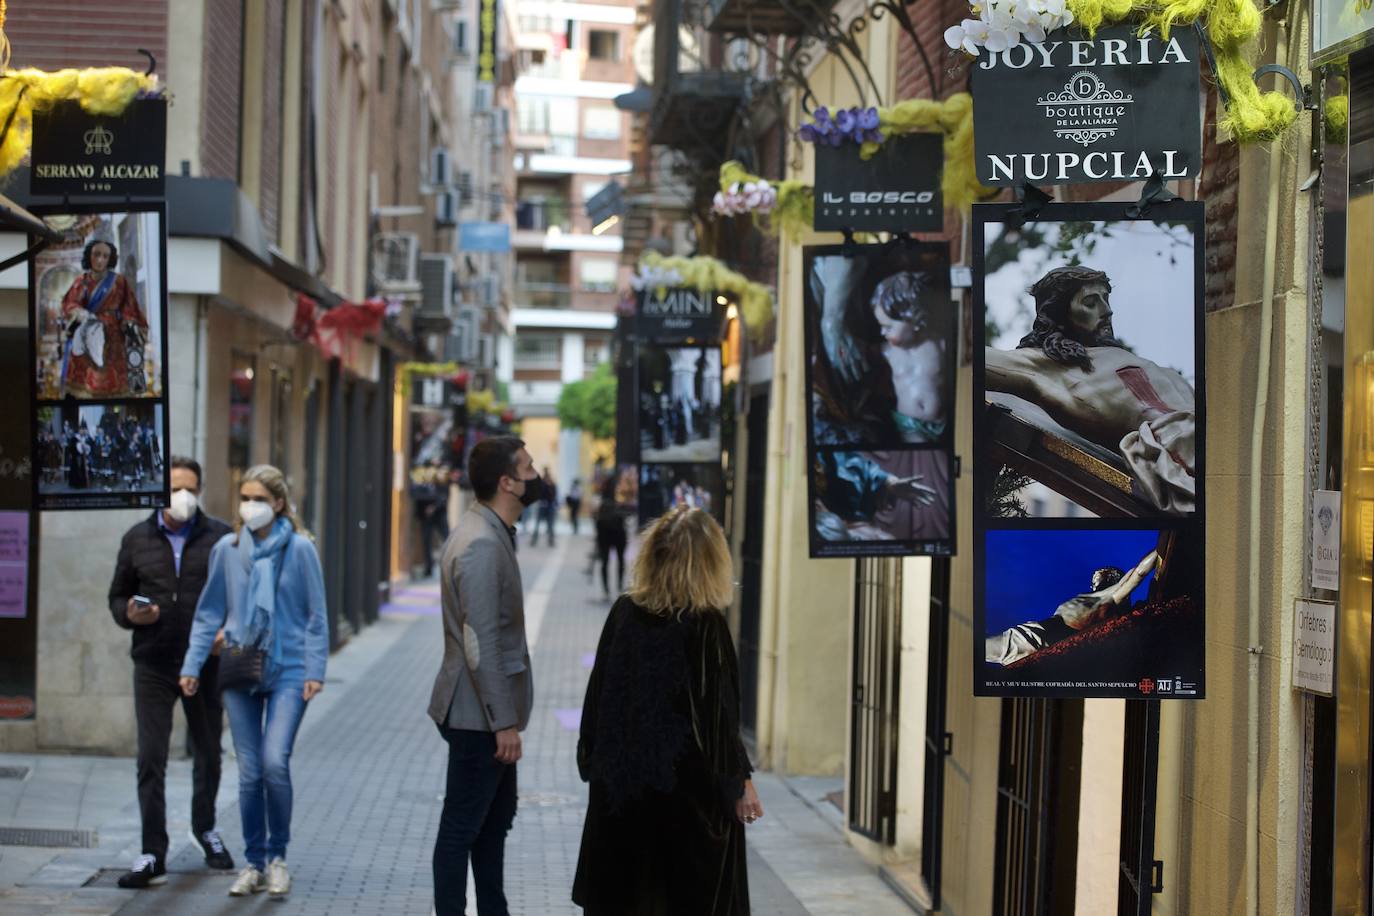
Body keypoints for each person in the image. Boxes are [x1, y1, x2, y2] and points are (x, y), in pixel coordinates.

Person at [573, 506, 760, 915]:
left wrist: (594, 764)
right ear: (709, 561)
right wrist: (739, 783)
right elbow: (719, 719)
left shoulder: (624, 612)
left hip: (620, 801)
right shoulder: (706, 627)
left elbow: (598, 699)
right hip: (684, 808)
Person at [179, 465, 329, 900]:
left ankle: (278, 857)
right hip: (240, 667)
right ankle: (254, 862)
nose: (250, 507)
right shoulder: (227, 549)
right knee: (248, 772)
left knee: (274, 763)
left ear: (279, 503)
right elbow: (209, 612)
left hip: (289, 668)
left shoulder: (300, 550)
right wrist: (192, 665)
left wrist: (315, 671)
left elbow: (317, 616)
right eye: (245, 498)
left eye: (259, 499)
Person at [107, 457, 235, 889]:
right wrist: (129, 613)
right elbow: (117, 597)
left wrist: (225, 632)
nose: (183, 496)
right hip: (155, 662)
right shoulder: (136, 538)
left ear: (200, 490)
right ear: (160, 491)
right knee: (151, 758)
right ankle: (152, 851)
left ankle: (205, 829)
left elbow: (238, 596)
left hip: (204, 663)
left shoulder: (220, 538)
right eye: (175, 488)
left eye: (191, 488)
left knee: (209, 752)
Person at [429, 436, 539, 916]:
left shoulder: (489, 532)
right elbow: (480, 644)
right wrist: (503, 722)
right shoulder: (480, 544)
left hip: (485, 715)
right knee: (461, 828)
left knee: (492, 826)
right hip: (479, 718)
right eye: (529, 468)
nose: (537, 476)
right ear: (507, 482)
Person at [984, 265, 1196, 514]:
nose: (1107, 310)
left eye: (1106, 299)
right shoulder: (1046, 368)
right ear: (1060, 314)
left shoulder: (1125, 359)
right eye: (1090, 302)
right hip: (1181, 459)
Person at [812, 257, 950, 446]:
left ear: (914, 319)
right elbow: (861, 352)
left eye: (888, 327)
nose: (882, 332)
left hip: (942, 420)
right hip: (910, 425)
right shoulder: (888, 351)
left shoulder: (940, 346)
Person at [986, 550, 1159, 665]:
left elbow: (1138, 574)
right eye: (1094, 580)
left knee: (973, 647)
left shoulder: (1110, 597)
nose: (1094, 583)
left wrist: (1160, 549)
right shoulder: (1094, 597)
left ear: (1112, 579)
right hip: (1033, 635)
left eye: (1099, 578)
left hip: (1036, 639)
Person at [60, 236, 150, 398]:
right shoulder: (82, 282)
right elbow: (70, 303)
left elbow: (129, 306)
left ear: (110, 259)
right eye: (96, 254)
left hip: (114, 336)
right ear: (89, 256)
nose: (100, 260)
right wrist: (81, 313)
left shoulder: (119, 282)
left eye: (104, 256)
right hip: (88, 331)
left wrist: (129, 322)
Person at [593, 476, 628, 600]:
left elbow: (596, 520)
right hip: (616, 535)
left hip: (606, 535)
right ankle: (617, 587)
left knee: (606, 562)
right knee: (618, 561)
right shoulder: (618, 501)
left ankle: (607, 590)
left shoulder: (602, 501)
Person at [531, 468, 558, 547]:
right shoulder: (542, 483)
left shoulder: (552, 483)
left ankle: (551, 540)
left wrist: (549, 486)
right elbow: (539, 493)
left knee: (550, 525)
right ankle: (534, 540)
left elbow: (553, 495)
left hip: (549, 506)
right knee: (538, 524)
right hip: (542, 505)